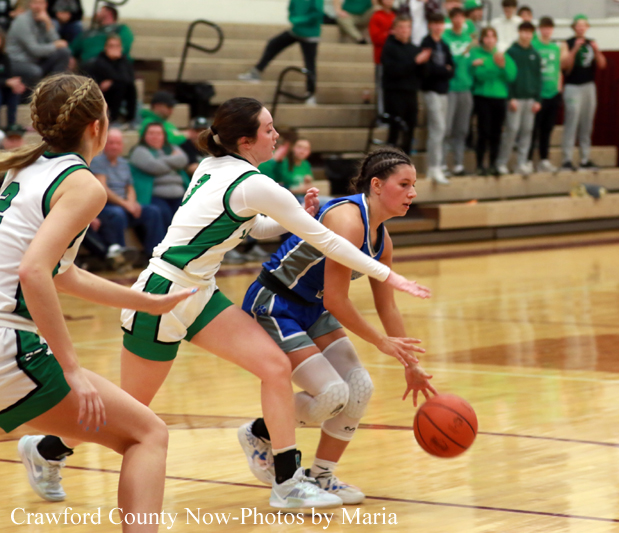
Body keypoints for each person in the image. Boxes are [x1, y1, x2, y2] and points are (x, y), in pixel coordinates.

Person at [29, 96, 431, 509]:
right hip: (160, 295)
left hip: (200, 293)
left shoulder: (216, 166)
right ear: (245, 141)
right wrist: (390, 275)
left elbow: (251, 226)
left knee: (274, 367)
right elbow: (326, 241)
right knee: (130, 409)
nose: (276, 135)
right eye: (269, 129)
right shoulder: (253, 182)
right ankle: (46, 449)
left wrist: (294, 214)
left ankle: (287, 482)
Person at [3, 73, 194, 529]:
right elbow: (33, 272)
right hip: (10, 345)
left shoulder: (24, 168)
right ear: (97, 126)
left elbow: (61, 271)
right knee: (147, 434)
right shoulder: (83, 184)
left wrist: (142, 301)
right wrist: (71, 368)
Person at [237, 147, 436, 503]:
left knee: (359, 387)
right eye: (404, 184)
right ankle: (259, 432)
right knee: (331, 395)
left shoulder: (382, 240)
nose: (412, 193)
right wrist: (380, 342)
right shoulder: (347, 220)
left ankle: (322, 475)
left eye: (414, 185)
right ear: (377, 185)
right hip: (276, 303)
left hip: (312, 308)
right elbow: (336, 300)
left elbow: (387, 305)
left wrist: (411, 364)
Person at [91, 128, 165, 263]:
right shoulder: (97, 162)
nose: (114, 146)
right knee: (117, 213)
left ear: (122, 146)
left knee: (152, 211)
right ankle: (121, 256)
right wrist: (126, 204)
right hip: (105, 206)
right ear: (104, 144)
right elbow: (103, 188)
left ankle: (154, 254)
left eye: (117, 143)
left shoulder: (124, 163)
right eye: (111, 143)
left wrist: (132, 203)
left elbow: (129, 187)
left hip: (123, 205)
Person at [238, 0, 321, 106]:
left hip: (310, 33)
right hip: (296, 30)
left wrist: (298, 20)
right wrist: (293, 19)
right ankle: (256, 72)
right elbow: (291, 8)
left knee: (310, 65)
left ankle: (310, 95)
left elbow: (317, 13)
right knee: (273, 44)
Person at [560, 14, 606, 171]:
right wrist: (574, 49)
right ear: (574, 27)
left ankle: (585, 158)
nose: (580, 28)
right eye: (578, 25)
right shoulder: (567, 43)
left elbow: (602, 64)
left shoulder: (591, 43)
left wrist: (597, 50)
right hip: (573, 86)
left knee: (587, 123)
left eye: (583, 25)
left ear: (587, 27)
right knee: (572, 121)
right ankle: (567, 159)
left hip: (589, 86)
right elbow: (564, 65)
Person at [470, 26, 516, 176]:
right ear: (482, 39)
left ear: (496, 39)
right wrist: (497, 66)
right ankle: (479, 165)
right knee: (483, 131)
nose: (490, 40)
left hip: (499, 97)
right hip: (482, 96)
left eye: (492, 37)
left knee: (496, 133)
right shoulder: (476, 53)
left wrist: (497, 66)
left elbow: (511, 76)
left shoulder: (502, 55)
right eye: (487, 37)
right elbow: (479, 75)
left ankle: (493, 164)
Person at [495, 21, 540, 175]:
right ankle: (502, 162)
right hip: (515, 99)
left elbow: (538, 77)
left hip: (530, 99)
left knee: (527, 131)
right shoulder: (511, 52)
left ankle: (521, 163)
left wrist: (538, 99)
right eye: (524, 32)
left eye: (529, 32)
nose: (526, 35)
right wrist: (511, 97)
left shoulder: (535, 53)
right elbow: (508, 76)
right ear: (519, 33)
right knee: (512, 130)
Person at [381, 16, 428, 155]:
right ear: (394, 30)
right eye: (400, 27)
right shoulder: (389, 48)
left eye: (407, 27)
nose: (404, 30)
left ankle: (406, 159)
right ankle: (389, 159)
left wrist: (424, 63)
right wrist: (415, 62)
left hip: (411, 92)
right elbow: (393, 71)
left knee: (410, 127)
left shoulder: (414, 49)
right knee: (395, 128)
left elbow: (422, 74)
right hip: (394, 93)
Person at [129, 122, 189, 230]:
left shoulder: (171, 147)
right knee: (164, 213)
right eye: (151, 133)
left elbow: (183, 160)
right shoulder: (139, 151)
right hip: (154, 196)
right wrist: (173, 162)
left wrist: (161, 161)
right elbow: (154, 167)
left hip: (179, 194)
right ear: (144, 136)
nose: (155, 137)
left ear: (164, 136)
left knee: (188, 213)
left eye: (158, 134)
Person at [419, 12, 453, 185]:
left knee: (442, 129)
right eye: (435, 23)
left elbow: (452, 67)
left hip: (443, 91)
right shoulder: (426, 43)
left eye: (441, 23)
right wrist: (444, 70)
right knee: (437, 127)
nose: (439, 27)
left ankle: (437, 165)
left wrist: (445, 70)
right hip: (430, 90)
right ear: (430, 25)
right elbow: (428, 69)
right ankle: (434, 166)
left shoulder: (444, 45)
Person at [7, 0, 71, 87]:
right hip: (19, 61)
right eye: (35, 3)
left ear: (46, 5)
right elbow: (35, 50)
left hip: (36, 59)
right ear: (30, 4)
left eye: (41, 3)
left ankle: (57, 87)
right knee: (35, 71)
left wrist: (48, 23)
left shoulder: (44, 19)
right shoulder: (22, 21)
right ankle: (37, 94)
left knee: (63, 52)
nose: (38, 6)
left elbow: (57, 41)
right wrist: (55, 45)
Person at [82, 33, 137, 127]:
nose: (114, 49)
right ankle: (113, 119)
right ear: (105, 47)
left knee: (130, 86)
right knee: (119, 85)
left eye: (117, 46)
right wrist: (115, 79)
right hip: (101, 93)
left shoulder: (124, 61)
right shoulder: (99, 61)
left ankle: (131, 119)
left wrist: (113, 78)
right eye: (111, 46)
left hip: (120, 91)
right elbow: (110, 73)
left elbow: (129, 79)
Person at [443, 6, 472, 177]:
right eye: (455, 17)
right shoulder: (445, 38)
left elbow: (471, 62)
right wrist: (461, 55)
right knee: (446, 129)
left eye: (462, 17)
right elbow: (449, 61)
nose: (459, 20)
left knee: (462, 129)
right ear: (451, 19)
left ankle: (458, 164)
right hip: (450, 88)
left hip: (465, 88)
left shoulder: (469, 39)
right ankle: (442, 164)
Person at [530, 15, 561, 173]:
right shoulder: (534, 46)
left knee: (547, 129)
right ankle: (528, 160)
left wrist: (558, 88)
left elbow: (558, 69)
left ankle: (544, 159)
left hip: (552, 93)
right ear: (539, 29)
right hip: (538, 94)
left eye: (549, 28)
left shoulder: (555, 48)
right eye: (544, 28)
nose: (547, 31)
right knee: (533, 129)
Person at [368, 0, 395, 118]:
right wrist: (391, 34)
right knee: (381, 89)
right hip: (381, 59)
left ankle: (392, 115)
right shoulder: (376, 16)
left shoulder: (395, 15)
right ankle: (382, 116)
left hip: (396, 60)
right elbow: (376, 38)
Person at [0, 27, 23, 126]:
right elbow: (6, 80)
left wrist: (15, 83)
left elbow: (9, 75)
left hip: (4, 87)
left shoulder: (4, 57)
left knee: (14, 91)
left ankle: (11, 124)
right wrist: (6, 82)